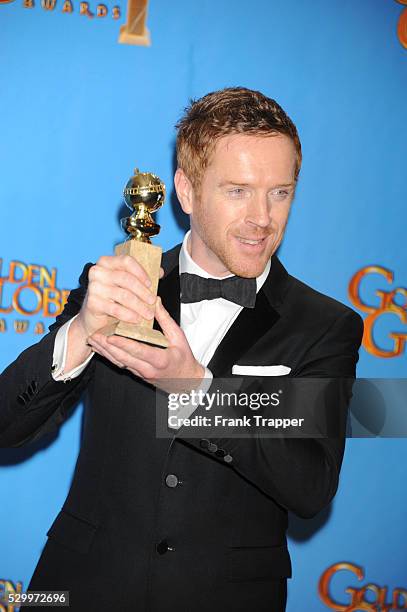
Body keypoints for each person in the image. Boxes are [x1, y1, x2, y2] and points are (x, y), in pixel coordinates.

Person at [0, 87, 363, 612]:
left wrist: (196, 392)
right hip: (78, 588)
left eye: (280, 192)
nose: (262, 217)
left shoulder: (326, 326)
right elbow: (7, 426)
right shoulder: (119, 285)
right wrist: (79, 332)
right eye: (238, 190)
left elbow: (311, 486)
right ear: (186, 191)